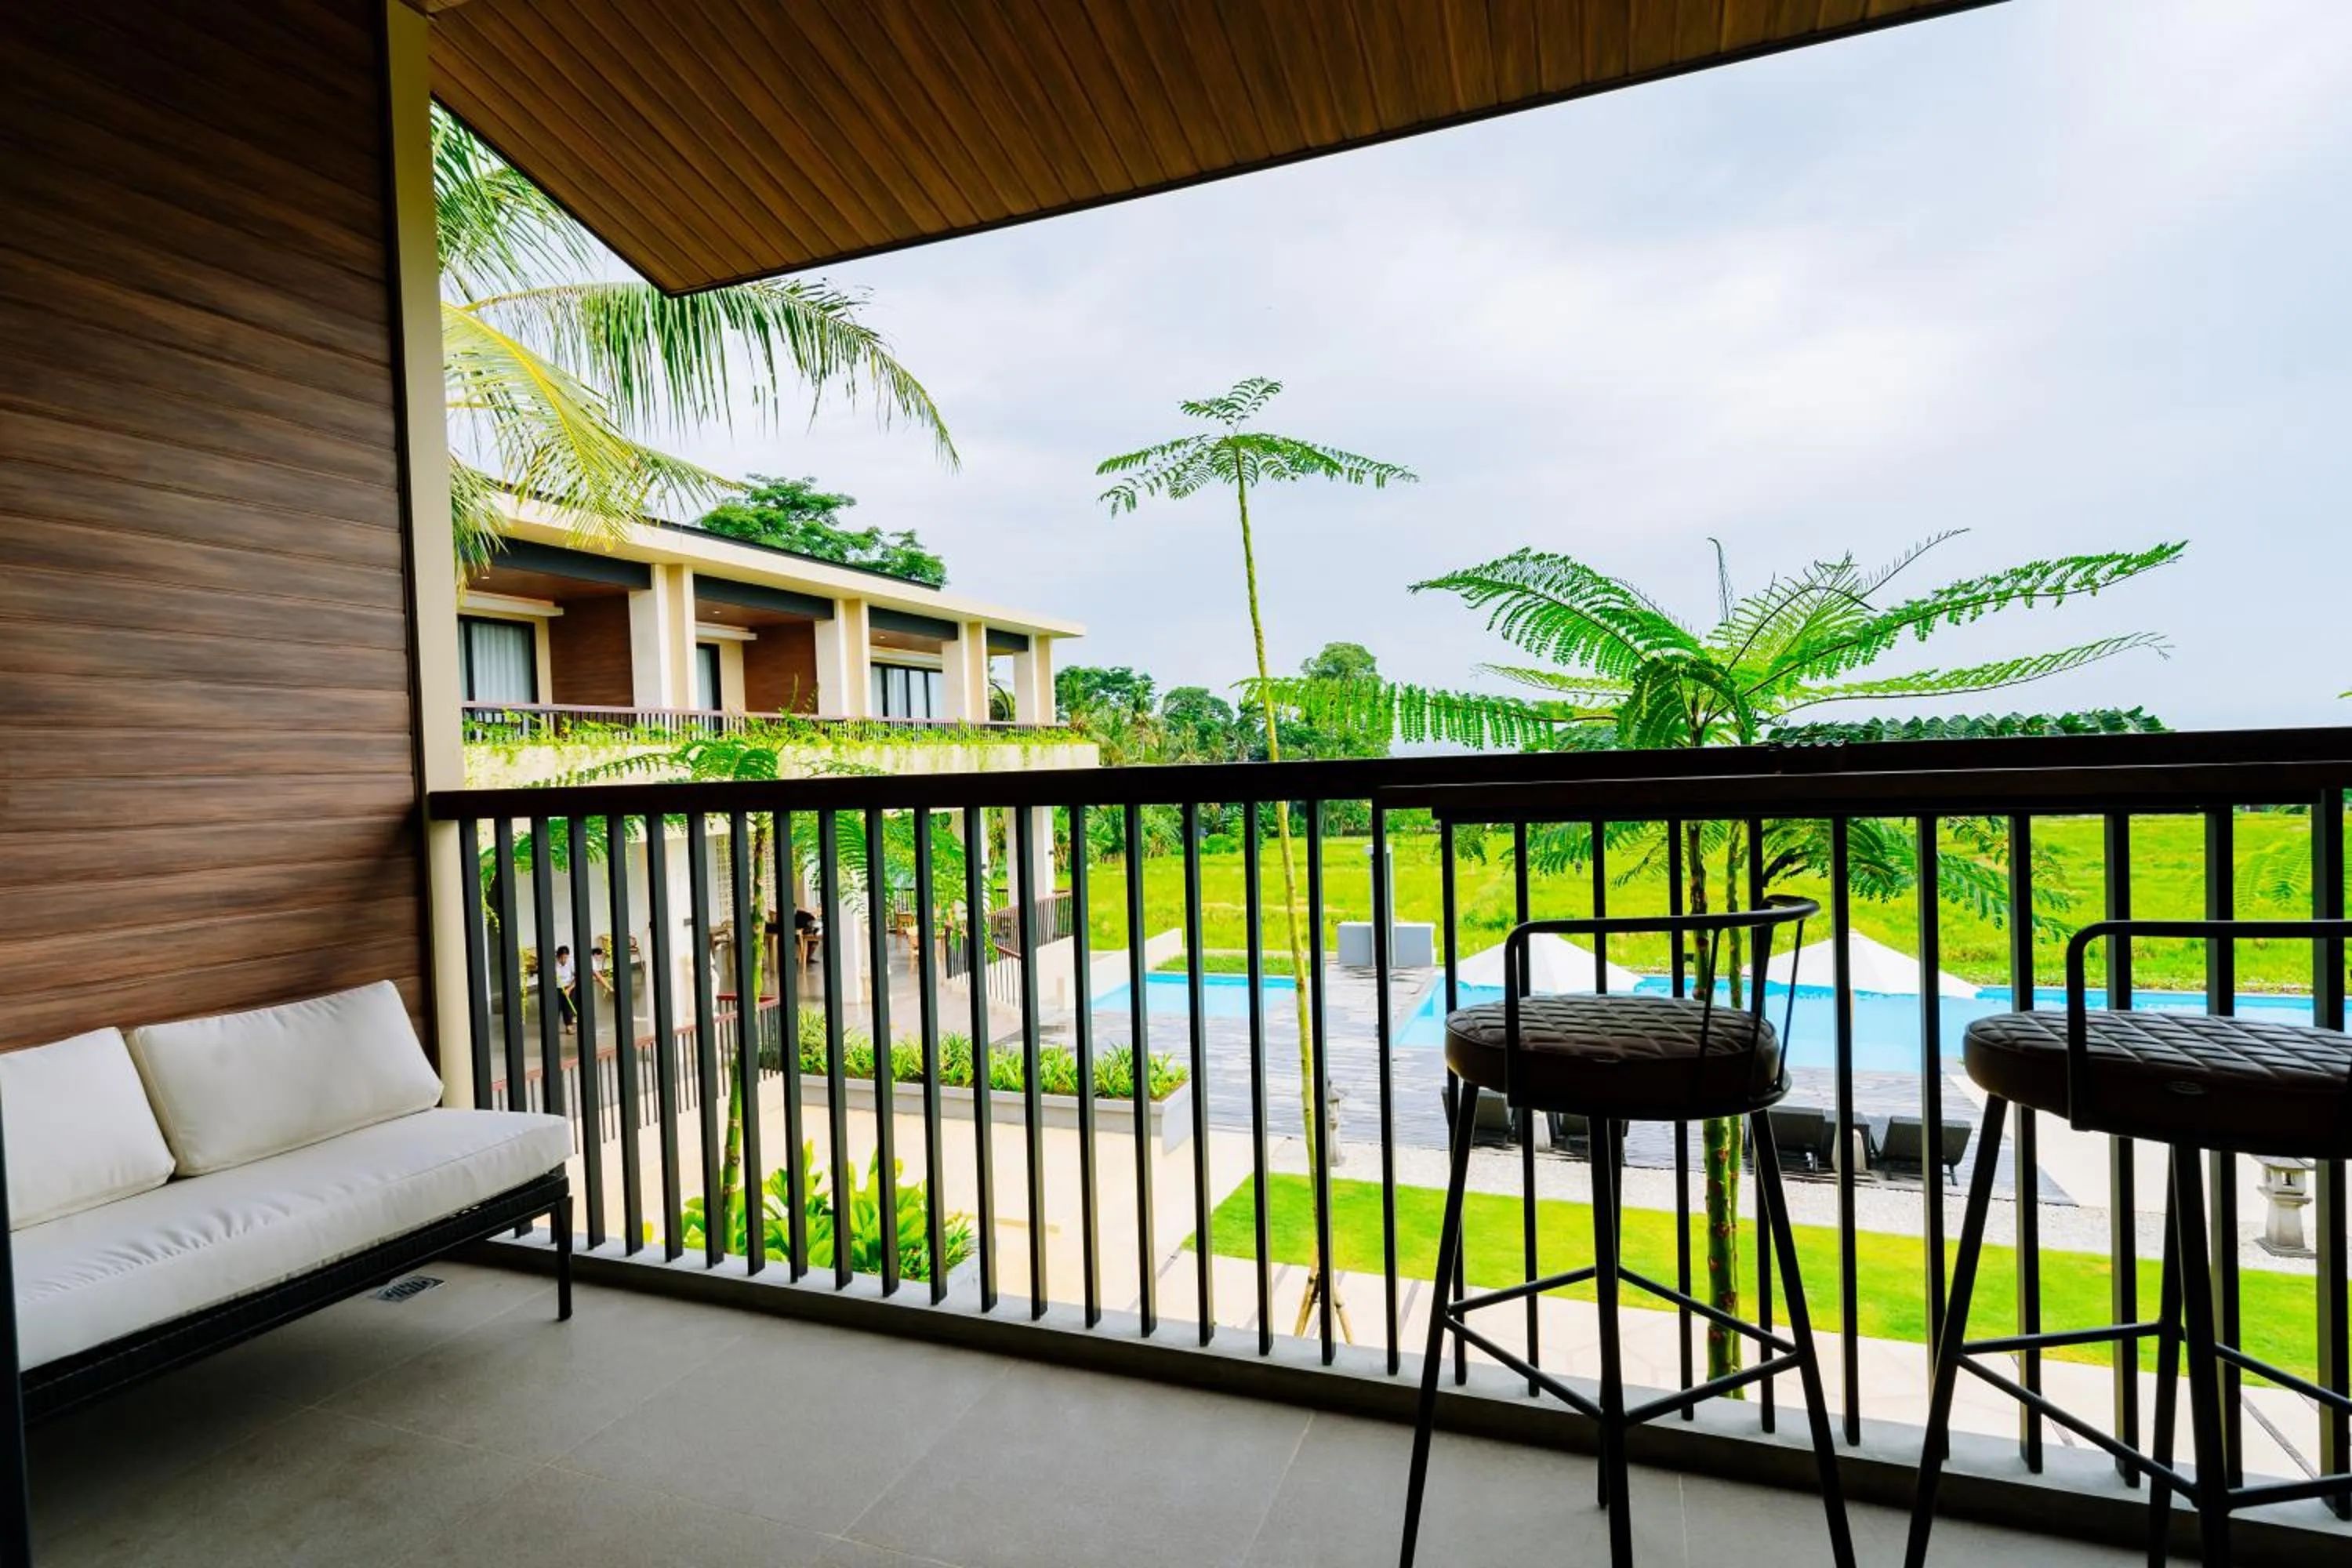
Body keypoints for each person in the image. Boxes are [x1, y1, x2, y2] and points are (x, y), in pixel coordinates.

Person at [554, 944, 579, 1033]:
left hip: (569, 986)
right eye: (561, 958)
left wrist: (569, 989)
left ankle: (569, 1026)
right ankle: (552, 1028)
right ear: (558, 956)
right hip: (556, 988)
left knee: (568, 1007)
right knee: (555, 1007)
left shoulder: (571, 962)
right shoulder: (553, 963)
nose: (564, 960)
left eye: (566, 957)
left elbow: (577, 978)